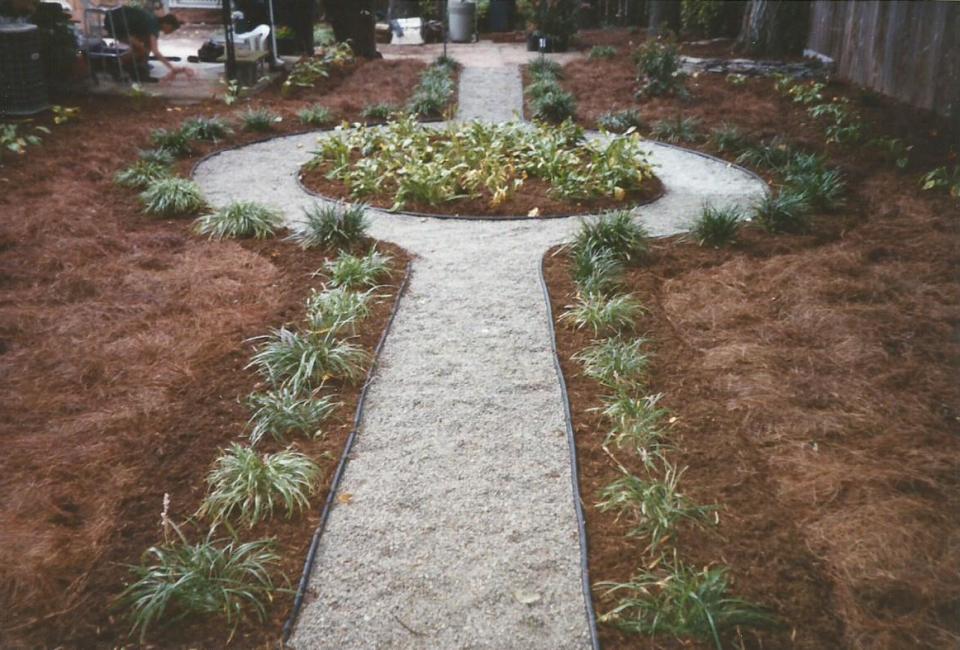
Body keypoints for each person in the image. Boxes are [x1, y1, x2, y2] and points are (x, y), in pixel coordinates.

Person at [104, 6, 195, 83]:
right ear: (167, 24)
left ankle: (139, 70)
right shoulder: (153, 25)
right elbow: (155, 51)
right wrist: (172, 67)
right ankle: (115, 64)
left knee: (145, 47)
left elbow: (150, 47)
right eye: (172, 29)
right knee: (141, 49)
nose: (171, 32)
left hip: (118, 20)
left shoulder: (153, 22)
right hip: (116, 23)